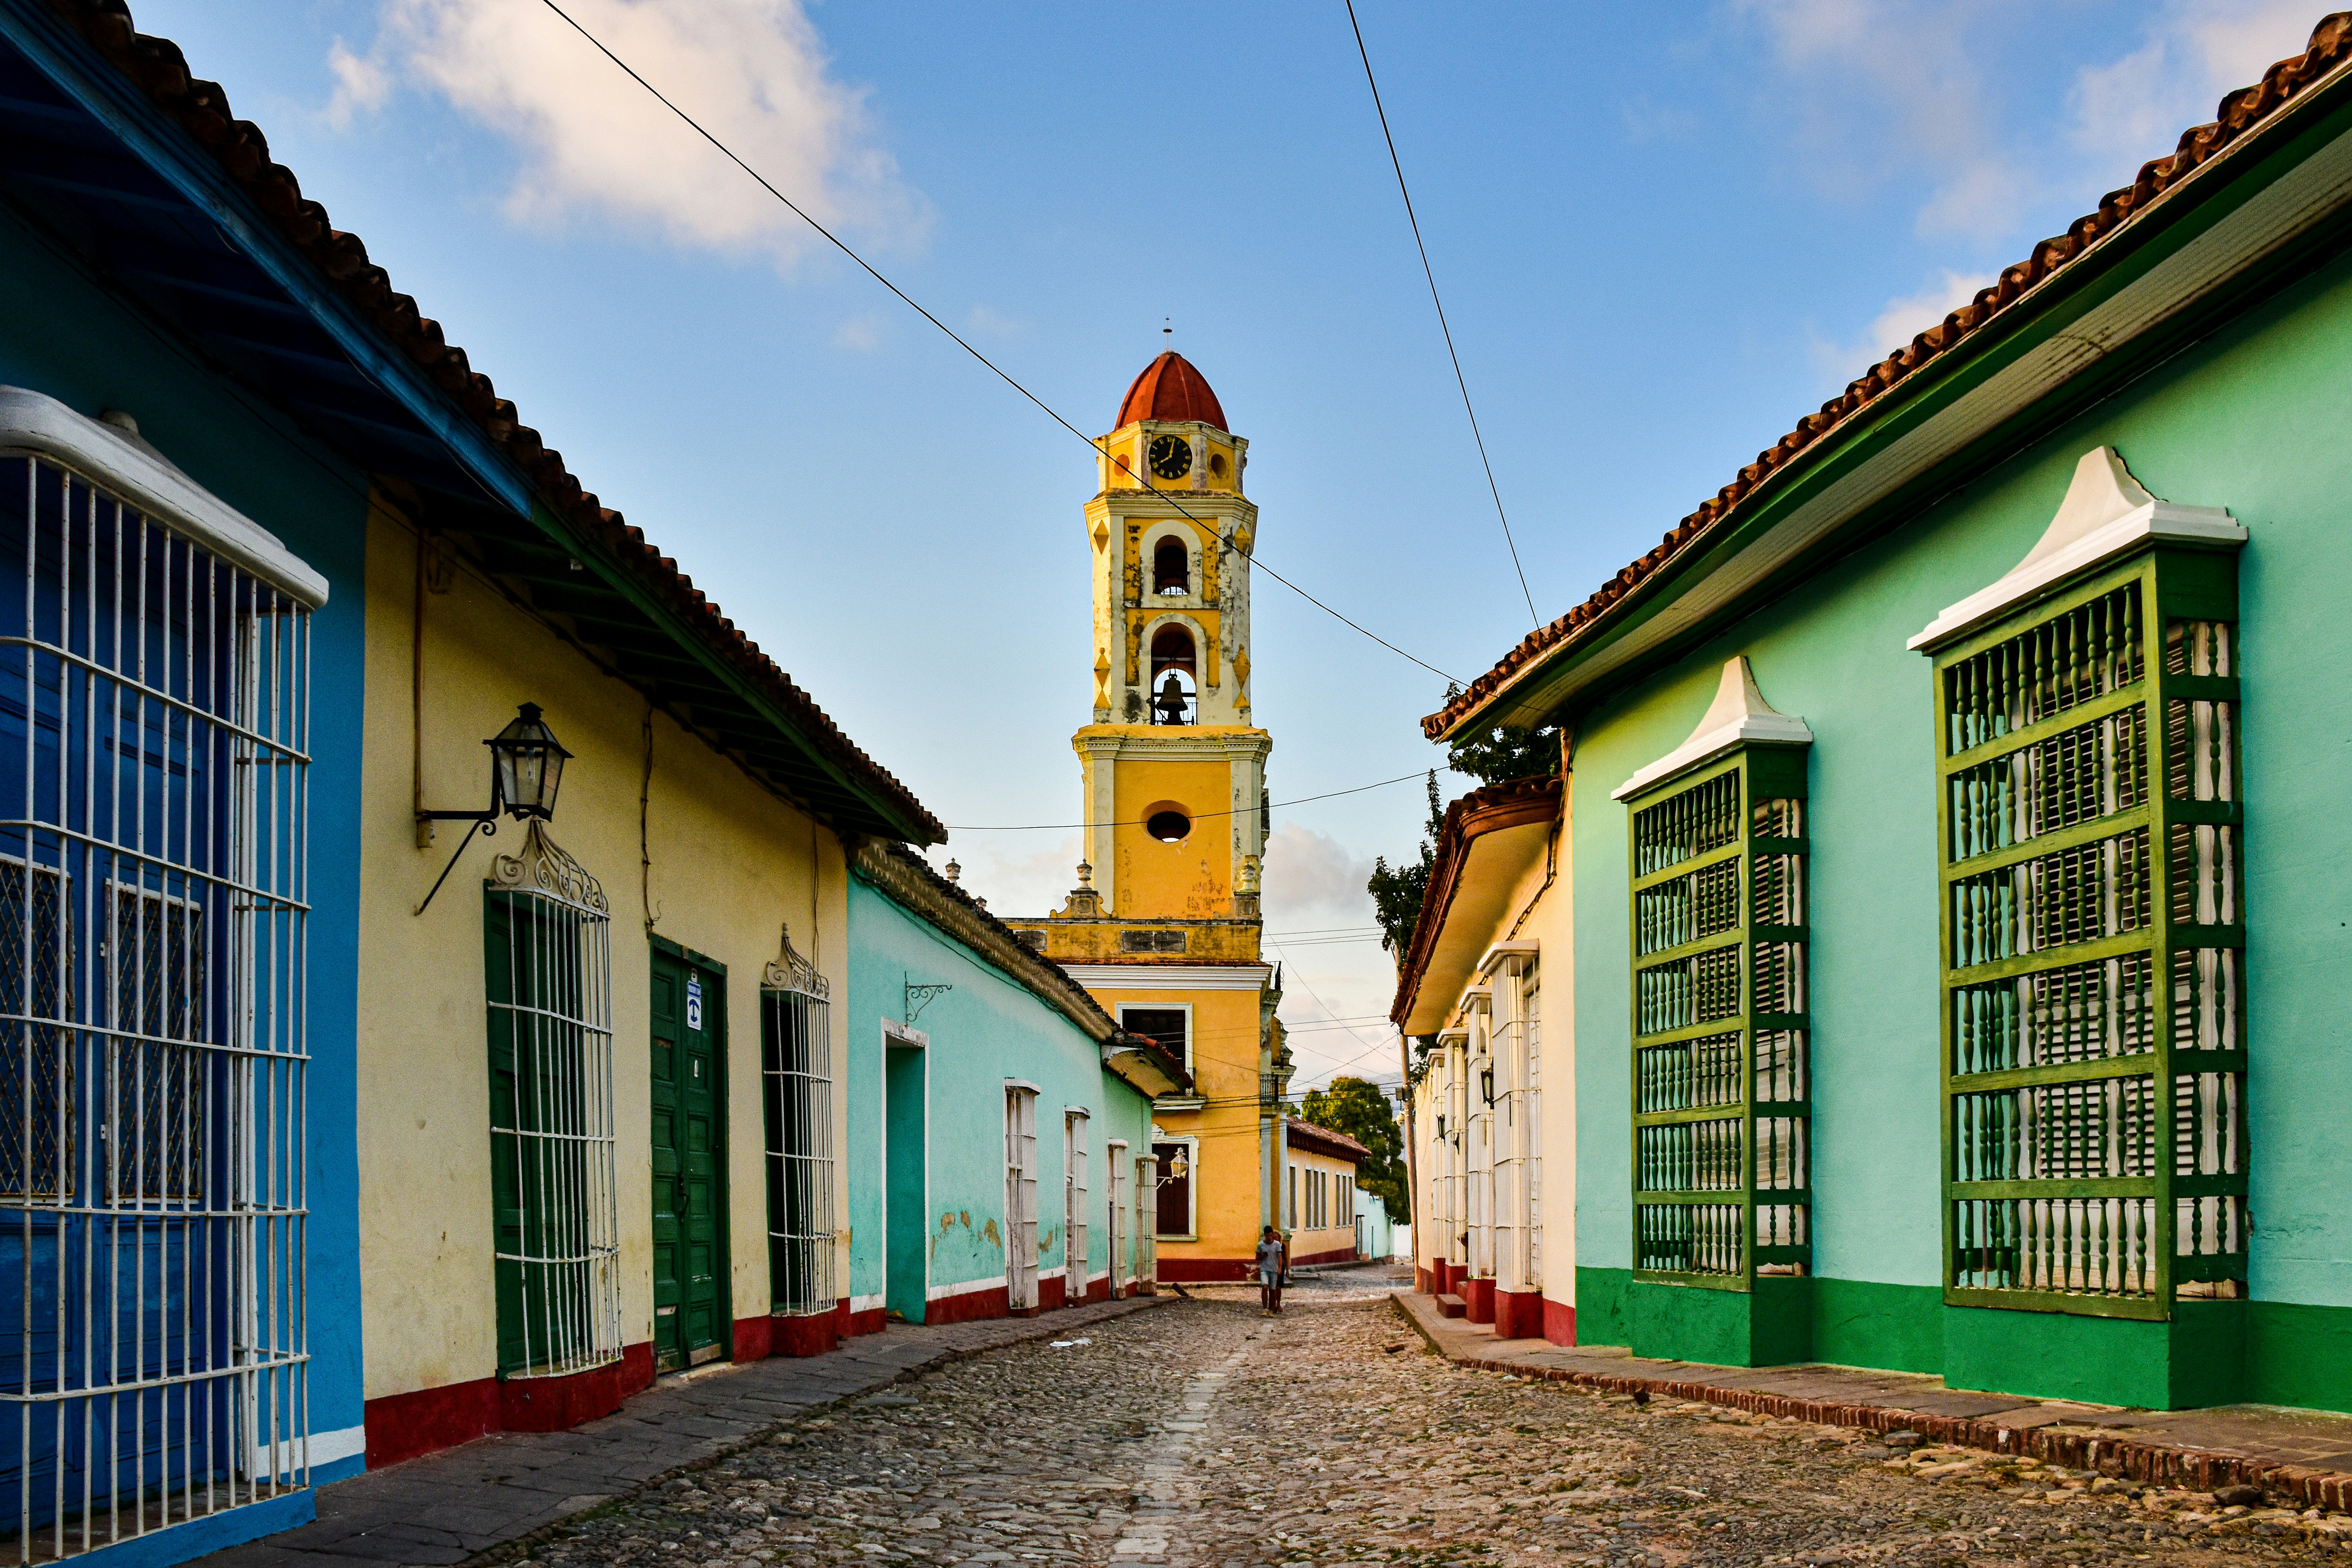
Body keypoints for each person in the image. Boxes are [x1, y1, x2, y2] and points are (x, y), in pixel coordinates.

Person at [1255, 1225, 1288, 1316]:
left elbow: (1280, 1257)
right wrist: (1262, 1256)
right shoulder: (1261, 1245)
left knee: (1273, 1290)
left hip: (1274, 1270)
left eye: (1270, 1236)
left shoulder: (1277, 1245)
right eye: (1267, 1236)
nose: (1269, 1238)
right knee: (1265, 1287)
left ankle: (1271, 1309)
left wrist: (1280, 1268)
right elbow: (1257, 1258)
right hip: (1264, 1270)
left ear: (1272, 1235)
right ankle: (1265, 1308)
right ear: (1265, 1236)